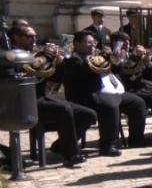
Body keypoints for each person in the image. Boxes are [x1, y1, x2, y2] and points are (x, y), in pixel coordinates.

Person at [8, 26, 97, 167]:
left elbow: (55, 80)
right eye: (29, 36)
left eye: (35, 36)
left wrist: (58, 63)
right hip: (24, 102)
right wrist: (42, 60)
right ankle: (71, 155)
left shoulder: (35, 54)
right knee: (64, 109)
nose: (34, 39)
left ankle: (60, 146)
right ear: (16, 37)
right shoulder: (11, 56)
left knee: (88, 114)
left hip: (41, 97)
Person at [58, 30, 149, 156]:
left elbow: (118, 69)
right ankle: (107, 145)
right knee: (110, 107)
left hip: (107, 93)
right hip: (86, 95)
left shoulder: (95, 56)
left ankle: (136, 139)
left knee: (138, 103)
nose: (93, 45)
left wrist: (115, 58)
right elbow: (86, 70)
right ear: (77, 44)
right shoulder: (72, 59)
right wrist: (104, 58)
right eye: (89, 42)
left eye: (93, 42)